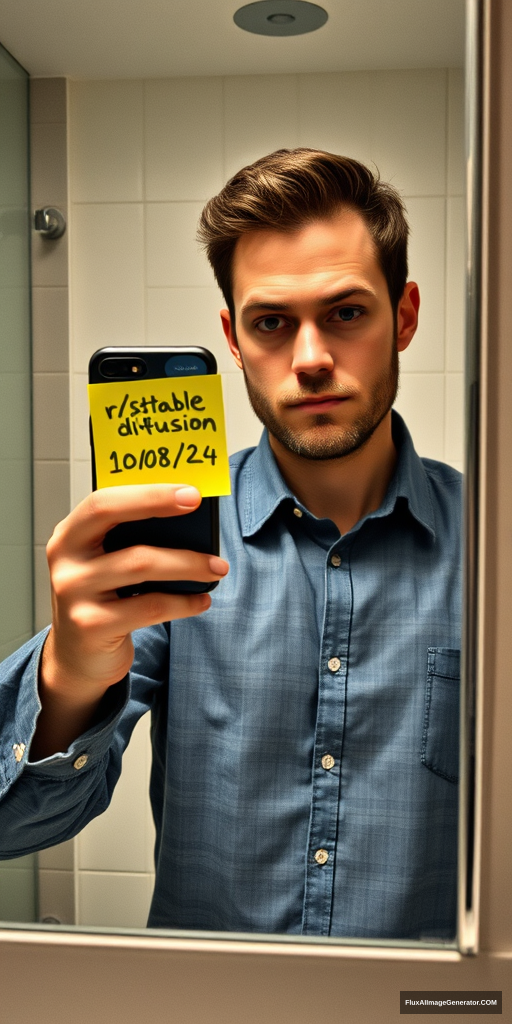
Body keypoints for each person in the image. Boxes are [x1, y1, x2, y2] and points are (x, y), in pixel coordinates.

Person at [0, 149, 461, 939]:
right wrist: (72, 673)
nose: (311, 359)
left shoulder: (492, 545)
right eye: (272, 323)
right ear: (233, 338)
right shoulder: (167, 548)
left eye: (346, 313)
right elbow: (14, 828)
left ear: (405, 316)